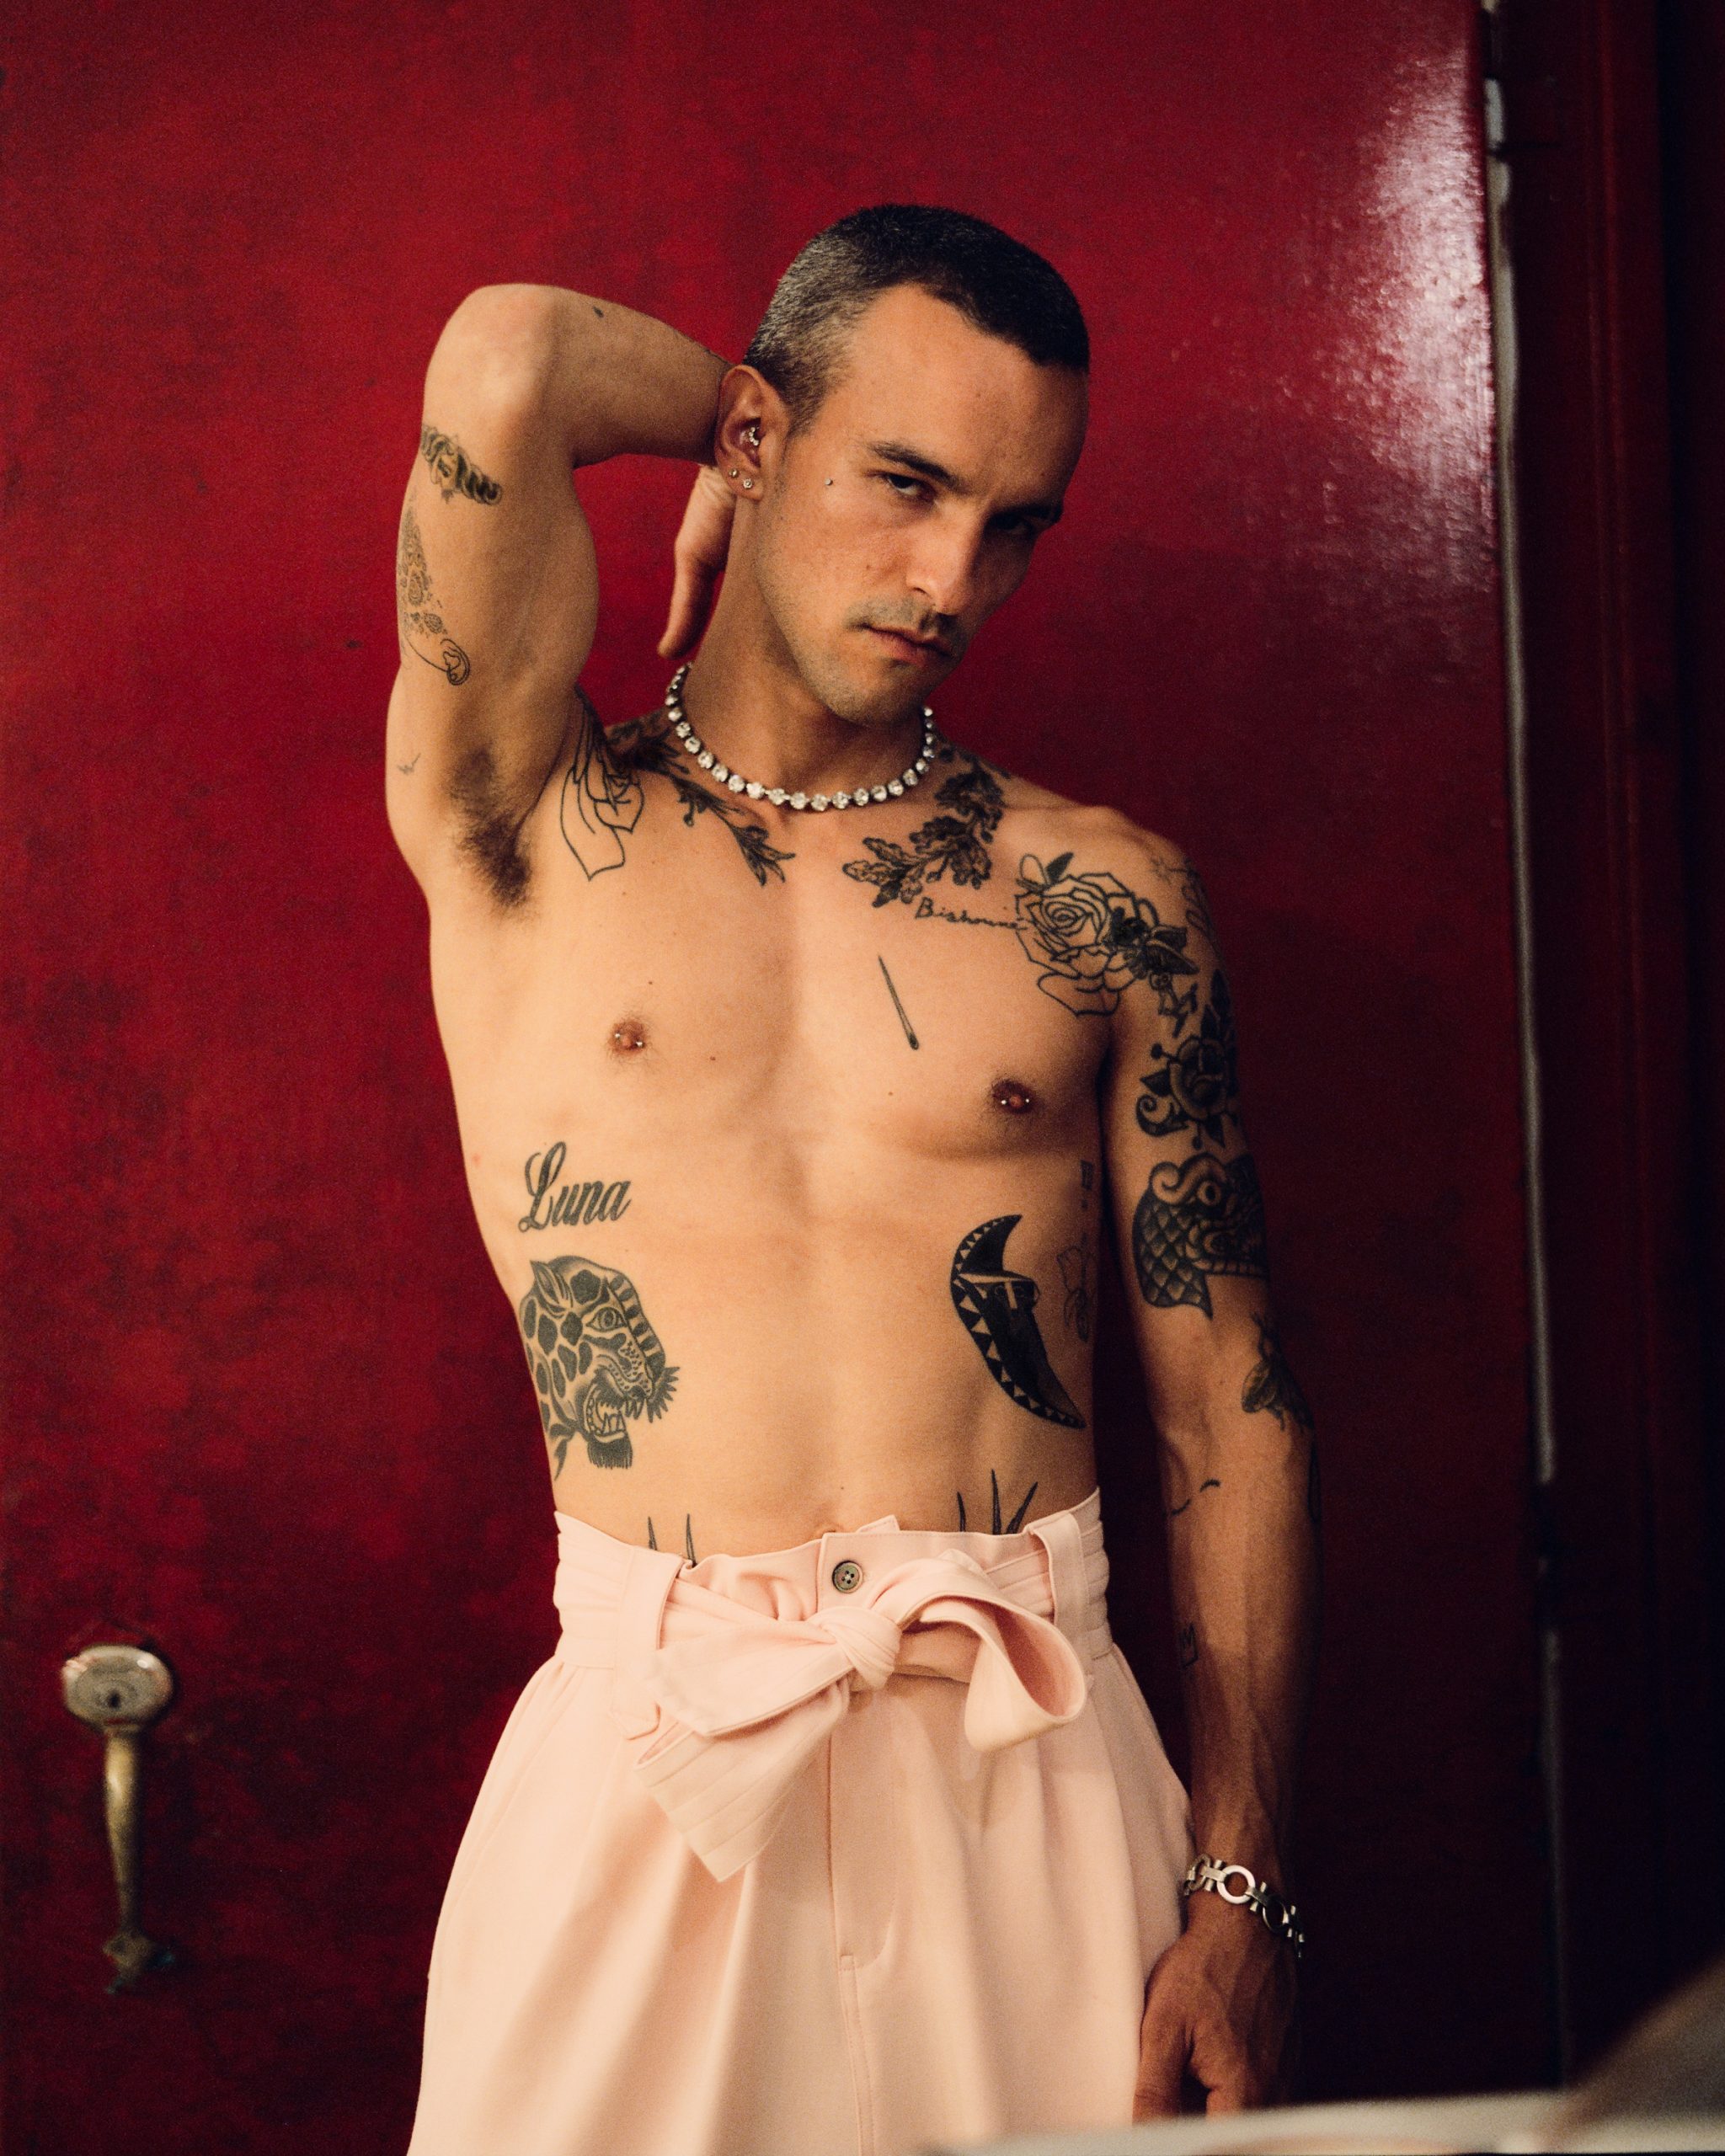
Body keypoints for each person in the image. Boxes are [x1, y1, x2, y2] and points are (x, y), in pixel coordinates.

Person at [388, 205, 1318, 2156]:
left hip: (1031, 1753)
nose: (949, 578)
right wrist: (730, 433)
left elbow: (1228, 1405)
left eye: (1011, 522)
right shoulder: (521, 820)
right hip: (652, 1759)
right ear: (754, 434)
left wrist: (1239, 1891)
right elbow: (508, 352)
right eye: (902, 481)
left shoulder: (1105, 900)